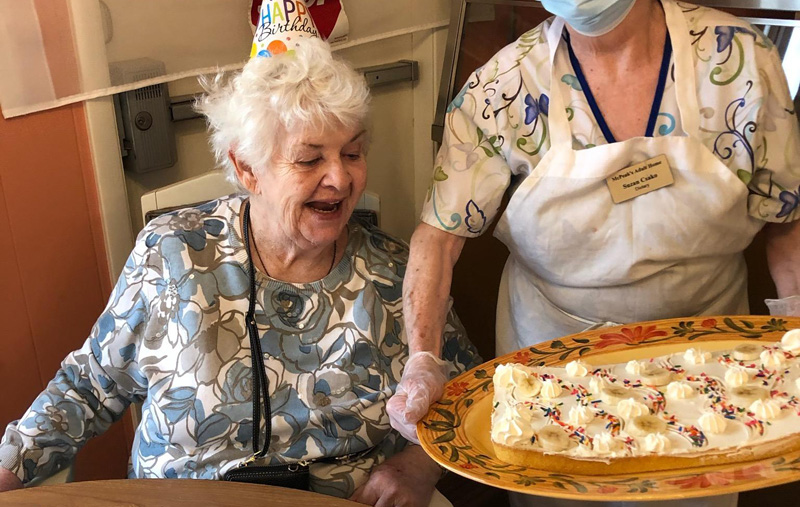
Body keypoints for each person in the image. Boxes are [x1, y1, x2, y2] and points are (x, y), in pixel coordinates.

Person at [0, 34, 478, 507]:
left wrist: (418, 466)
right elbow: (88, 386)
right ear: (247, 168)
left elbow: (471, 393)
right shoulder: (172, 253)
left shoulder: (397, 275)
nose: (340, 177)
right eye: (310, 159)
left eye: (352, 153)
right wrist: (11, 466)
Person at [388, 0, 800, 506]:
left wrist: (795, 318)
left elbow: (787, 213)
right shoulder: (503, 88)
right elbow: (438, 236)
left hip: (706, 364)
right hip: (552, 365)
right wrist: (422, 360)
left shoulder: (739, 60)